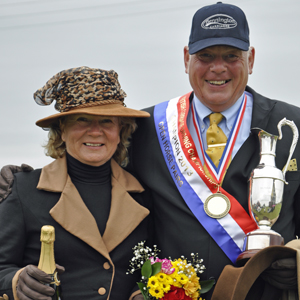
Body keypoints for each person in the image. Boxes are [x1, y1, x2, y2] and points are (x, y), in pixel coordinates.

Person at [1, 2, 300, 299]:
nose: (218, 67)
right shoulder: (150, 129)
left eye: (231, 56)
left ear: (251, 59)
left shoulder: (292, 125)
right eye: (205, 55)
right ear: (186, 59)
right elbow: (84, 168)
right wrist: (19, 180)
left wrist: (299, 258)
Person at [0, 66, 151, 300]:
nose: (95, 131)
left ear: (120, 130)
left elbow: (157, 266)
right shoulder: (22, 189)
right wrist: (16, 282)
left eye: (107, 121)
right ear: (61, 129)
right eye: (82, 119)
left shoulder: (144, 194)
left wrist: (142, 293)